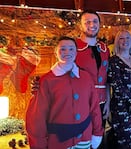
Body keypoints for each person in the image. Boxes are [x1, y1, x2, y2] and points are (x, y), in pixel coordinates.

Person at [31, 10, 111, 148]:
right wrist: (41, 83)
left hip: (101, 103)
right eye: (87, 22)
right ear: (81, 25)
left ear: (99, 24)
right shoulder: (73, 47)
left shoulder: (104, 49)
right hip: (80, 103)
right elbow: (61, 69)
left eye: (95, 21)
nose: (92, 25)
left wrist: (108, 101)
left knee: (96, 140)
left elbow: (106, 78)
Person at [26, 36, 103, 149]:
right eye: (63, 49)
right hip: (58, 141)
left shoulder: (86, 77)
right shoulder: (46, 80)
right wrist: (39, 143)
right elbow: (37, 117)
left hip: (84, 138)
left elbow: (94, 107)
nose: (67, 52)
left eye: (71, 49)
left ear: (76, 52)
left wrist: (97, 132)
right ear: (56, 52)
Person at [107, 30, 131, 149]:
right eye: (121, 38)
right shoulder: (113, 62)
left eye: (128, 38)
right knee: (125, 142)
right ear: (117, 42)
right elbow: (118, 87)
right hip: (122, 109)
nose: (125, 41)